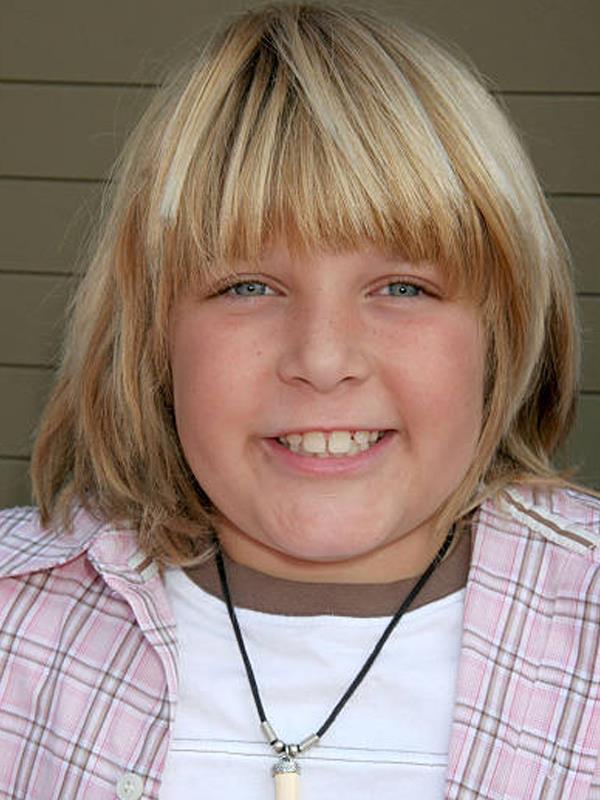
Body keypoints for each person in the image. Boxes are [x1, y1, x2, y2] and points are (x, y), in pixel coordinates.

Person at [0, 3, 598, 798]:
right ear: (152, 336)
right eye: (248, 286)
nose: (322, 361)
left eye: (402, 287)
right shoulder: (17, 628)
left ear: (506, 330)